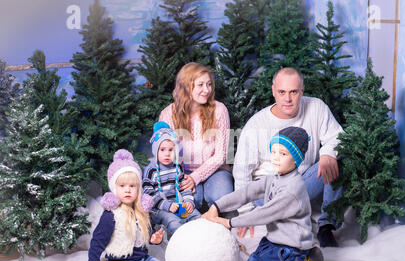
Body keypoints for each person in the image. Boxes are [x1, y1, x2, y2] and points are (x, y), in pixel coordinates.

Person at [232, 67, 344, 247]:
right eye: (282, 92)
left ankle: (326, 227)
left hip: (303, 180)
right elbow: (241, 170)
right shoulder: (256, 124)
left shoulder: (316, 108)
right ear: (273, 91)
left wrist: (328, 154)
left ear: (302, 90)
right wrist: (246, 213)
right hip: (271, 189)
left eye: (293, 91)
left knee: (336, 161)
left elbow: (337, 137)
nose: (288, 99)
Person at [204, 127, 323, 261]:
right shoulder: (273, 179)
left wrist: (229, 223)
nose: (275, 158)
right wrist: (217, 206)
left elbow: (264, 214)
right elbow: (246, 192)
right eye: (273, 152)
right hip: (271, 242)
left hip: (292, 248)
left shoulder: (293, 190)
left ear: (295, 159)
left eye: (283, 154)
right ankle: (271, 260)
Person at [83, 149, 170, 261]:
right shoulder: (111, 215)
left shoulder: (142, 212)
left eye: (132, 186)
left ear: (138, 189)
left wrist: (154, 239)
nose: (128, 190)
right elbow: (97, 243)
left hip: (144, 259)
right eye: (122, 186)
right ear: (114, 187)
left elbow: (146, 234)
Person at [158, 62, 233, 212]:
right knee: (189, 204)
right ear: (186, 87)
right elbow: (165, 153)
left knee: (223, 198)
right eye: (201, 85)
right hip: (182, 173)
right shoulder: (167, 114)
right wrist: (184, 178)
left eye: (209, 84)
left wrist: (196, 177)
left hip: (216, 169)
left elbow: (221, 155)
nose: (207, 90)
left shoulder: (219, 110)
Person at [142, 121, 202, 235]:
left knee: (196, 215)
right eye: (162, 149)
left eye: (171, 150)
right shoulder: (152, 171)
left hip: (177, 204)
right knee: (173, 222)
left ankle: (202, 237)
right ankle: (181, 240)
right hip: (159, 208)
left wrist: (189, 201)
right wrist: (167, 205)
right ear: (156, 150)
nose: (167, 154)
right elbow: (148, 194)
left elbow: (184, 188)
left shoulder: (177, 167)